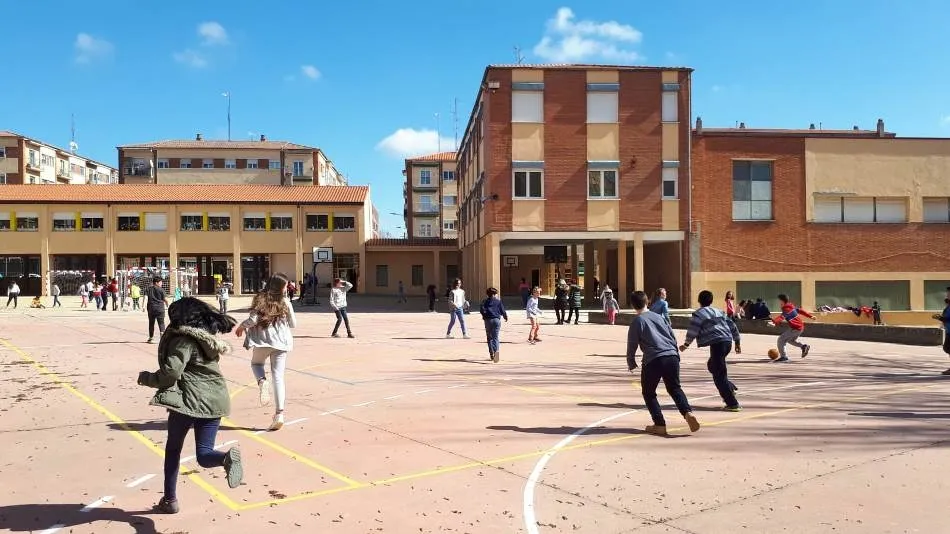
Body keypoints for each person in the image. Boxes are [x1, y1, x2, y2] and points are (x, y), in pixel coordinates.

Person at [135, 297, 243, 514]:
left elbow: (171, 373)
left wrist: (146, 378)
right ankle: (225, 457)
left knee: (173, 449)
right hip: (216, 398)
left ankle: (170, 499)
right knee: (204, 454)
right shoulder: (207, 339)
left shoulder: (182, 340)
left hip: (189, 401)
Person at [626, 291, 701, 437]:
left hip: (653, 358)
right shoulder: (659, 317)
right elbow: (671, 336)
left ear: (632, 305)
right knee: (675, 388)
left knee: (648, 393)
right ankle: (687, 413)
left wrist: (631, 361)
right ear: (648, 302)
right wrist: (676, 355)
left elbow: (632, 343)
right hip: (671, 355)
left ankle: (659, 424)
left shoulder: (637, 321)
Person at [235, 274, 297, 431]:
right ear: (279, 287)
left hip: (263, 341)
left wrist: (242, 326)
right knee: (278, 377)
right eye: (285, 286)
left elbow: (253, 320)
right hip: (281, 343)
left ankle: (262, 381)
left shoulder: (260, 299)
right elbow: (293, 324)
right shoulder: (286, 302)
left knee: (256, 363)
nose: (287, 288)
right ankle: (280, 414)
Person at [679, 290, 742, 412]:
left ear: (699, 301)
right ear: (711, 301)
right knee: (712, 365)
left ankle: (732, 403)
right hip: (727, 342)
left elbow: (693, 330)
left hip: (717, 344)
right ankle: (729, 387)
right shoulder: (719, 311)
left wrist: (686, 344)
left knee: (719, 375)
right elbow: (732, 325)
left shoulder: (699, 314)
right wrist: (737, 341)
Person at [770, 294, 815, 361]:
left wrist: (774, 322)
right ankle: (803, 346)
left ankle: (783, 357)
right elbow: (800, 310)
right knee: (790, 340)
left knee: (781, 339)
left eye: (779, 301)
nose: (779, 303)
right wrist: (810, 316)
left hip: (796, 328)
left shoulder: (786, 308)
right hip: (799, 327)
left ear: (782, 301)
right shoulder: (790, 306)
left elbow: (782, 316)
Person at [479, 287, 508, 363]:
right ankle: (496, 352)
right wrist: (505, 317)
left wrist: (485, 315)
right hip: (496, 320)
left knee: (489, 338)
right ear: (494, 294)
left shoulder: (484, 301)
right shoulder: (498, 301)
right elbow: (503, 311)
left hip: (488, 320)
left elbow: (481, 310)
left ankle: (491, 354)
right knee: (495, 337)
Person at [931, 291, 950, 376]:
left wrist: (942, 319)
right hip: (948, 330)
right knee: (947, 348)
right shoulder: (948, 306)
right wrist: (941, 318)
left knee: (948, 348)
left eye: (949, 294)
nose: (947, 295)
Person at [145, 277, 169, 343]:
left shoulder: (148, 289)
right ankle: (163, 338)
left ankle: (151, 338)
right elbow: (165, 300)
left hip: (151, 308)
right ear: (156, 283)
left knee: (151, 323)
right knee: (161, 323)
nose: (162, 283)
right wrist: (168, 306)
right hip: (160, 308)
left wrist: (143, 307)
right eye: (161, 282)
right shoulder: (161, 290)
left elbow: (145, 298)